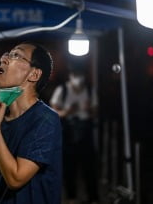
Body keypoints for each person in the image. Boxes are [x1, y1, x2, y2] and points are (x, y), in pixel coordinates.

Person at [0, 42, 62, 204]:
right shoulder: (1, 118)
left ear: (34, 75)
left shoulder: (46, 119)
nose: (3, 59)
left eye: (16, 55)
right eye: (7, 54)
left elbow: (16, 179)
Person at [50, 67, 99, 204]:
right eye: (75, 75)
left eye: (80, 75)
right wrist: (67, 112)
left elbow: (95, 112)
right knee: (69, 167)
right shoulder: (63, 90)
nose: (78, 78)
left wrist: (89, 109)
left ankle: (93, 197)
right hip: (68, 132)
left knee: (89, 167)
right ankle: (72, 197)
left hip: (85, 131)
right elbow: (53, 111)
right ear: (70, 76)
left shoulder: (90, 90)